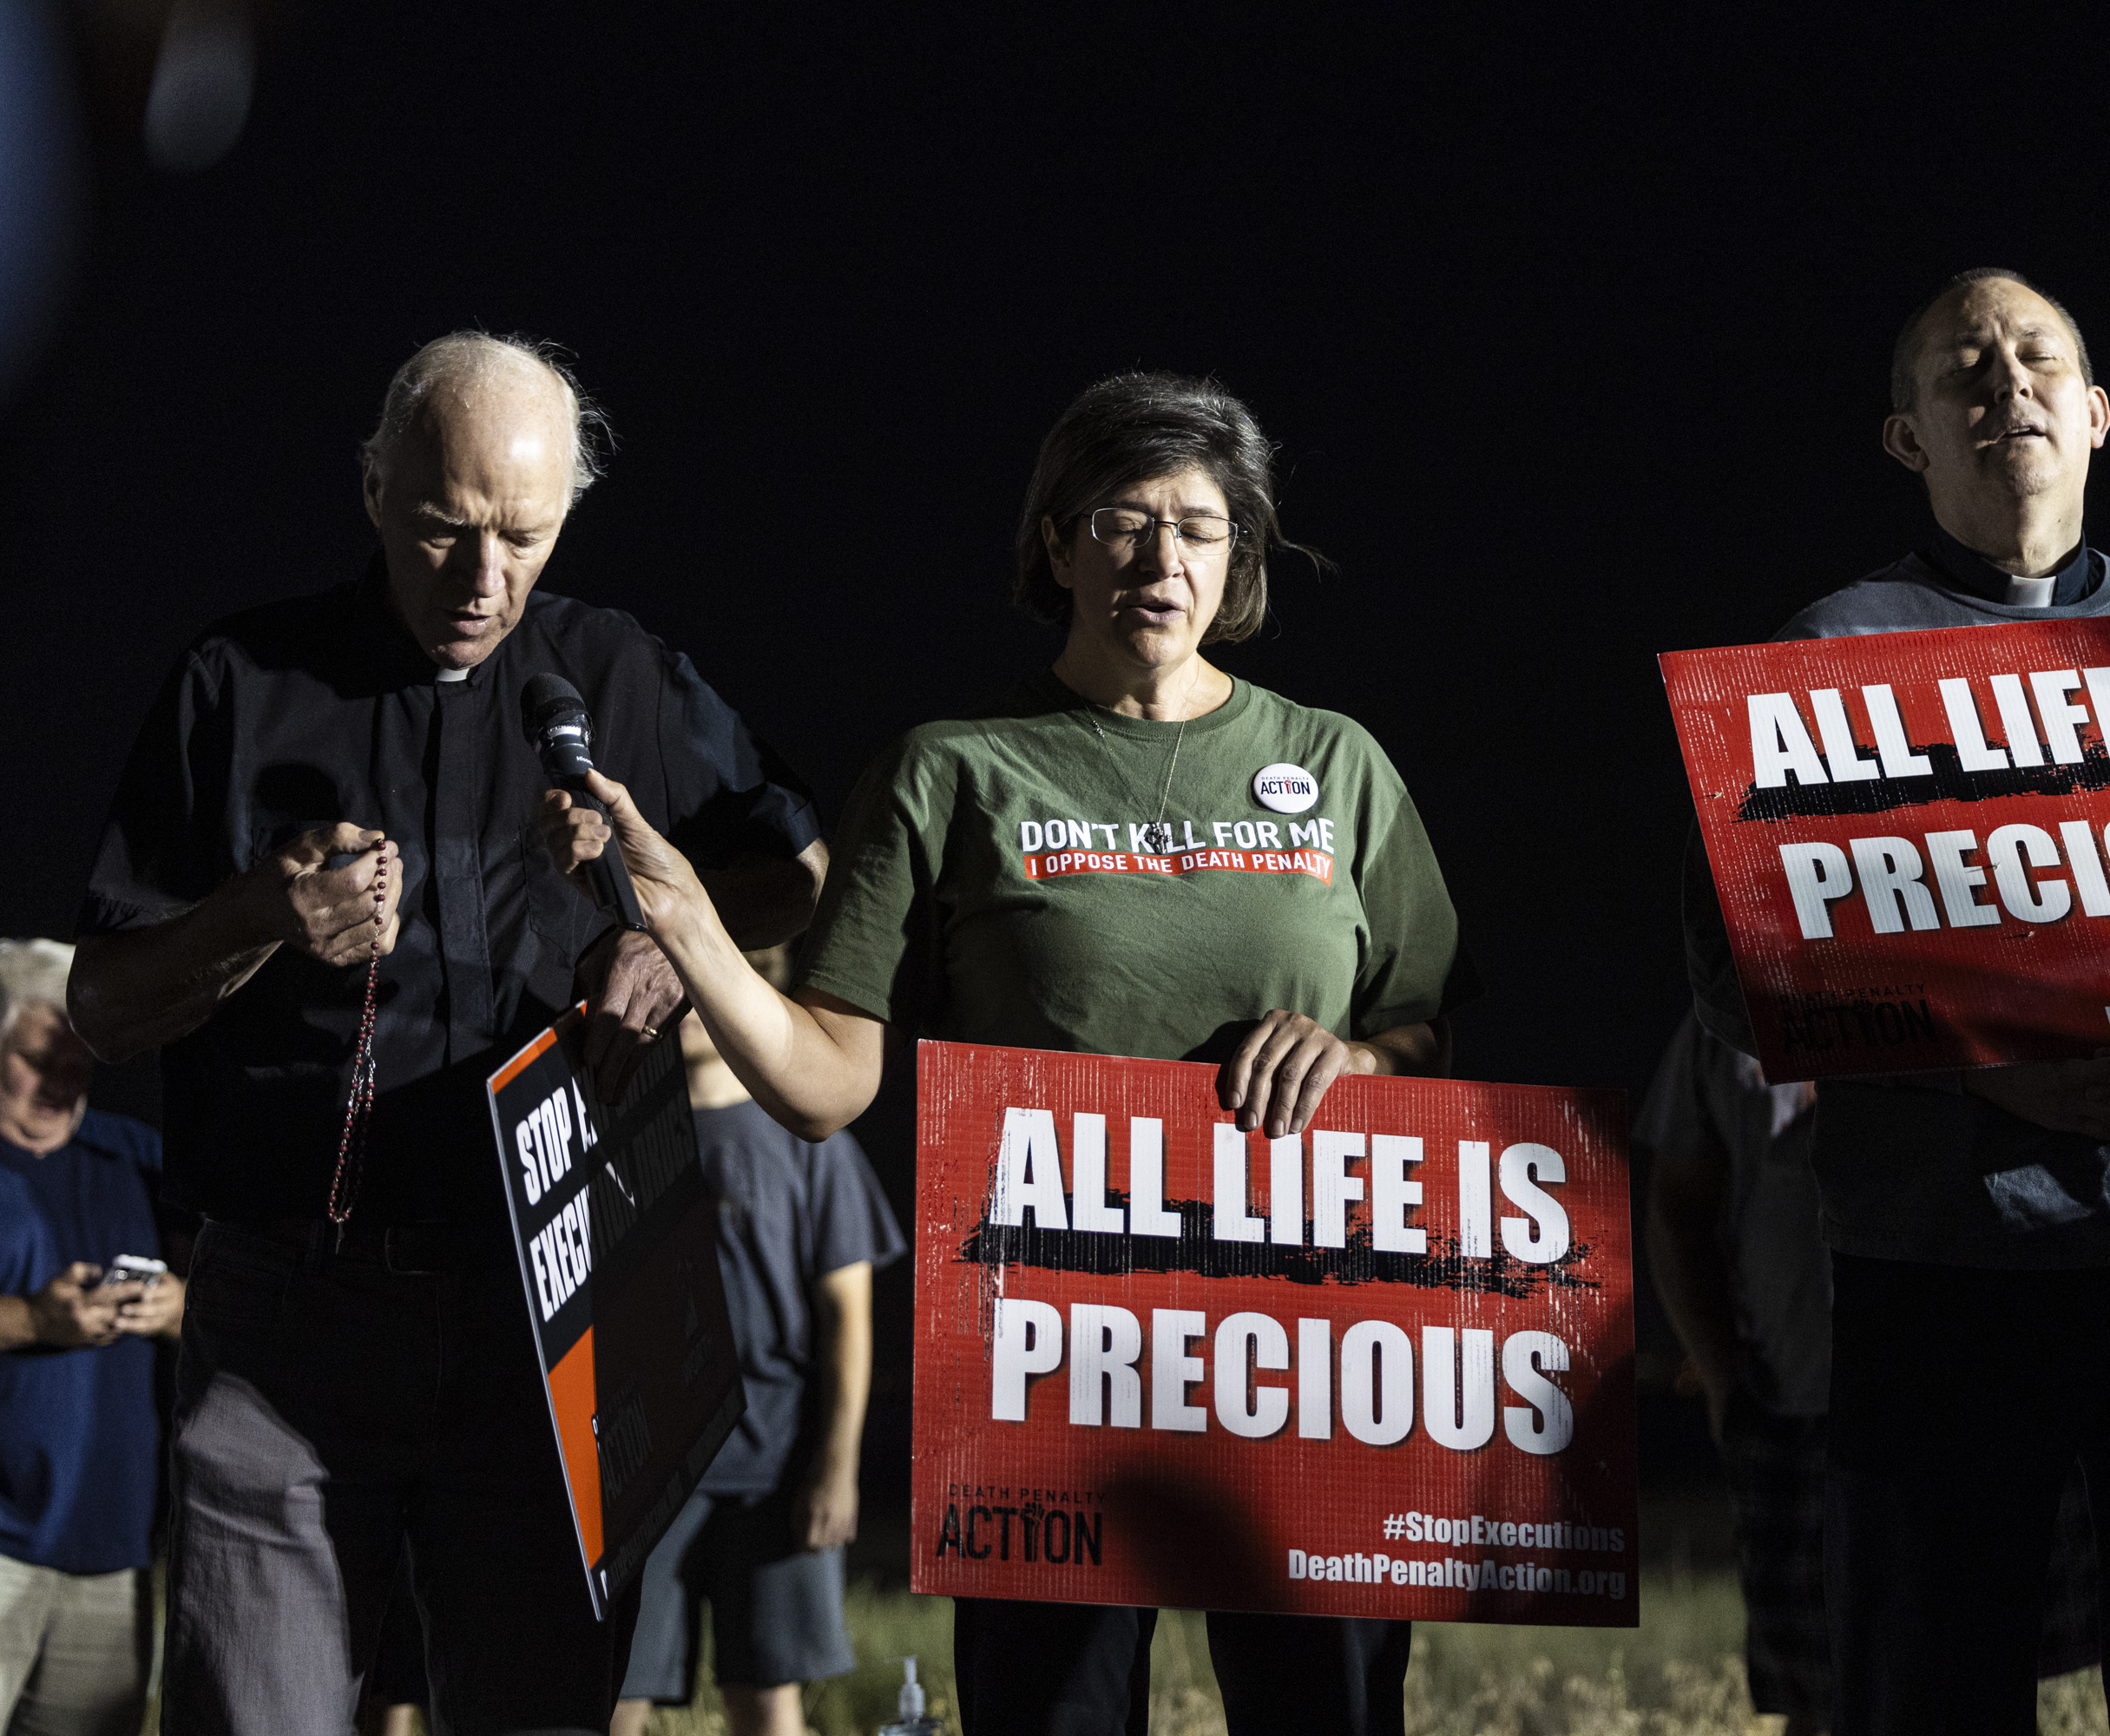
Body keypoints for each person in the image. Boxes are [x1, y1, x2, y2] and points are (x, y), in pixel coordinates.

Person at [542, 371, 1474, 1736]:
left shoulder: (1337, 765)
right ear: (1055, 544)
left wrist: (1364, 1065)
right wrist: (689, 925)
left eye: (1201, 527)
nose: (1162, 559)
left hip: (1309, 1355)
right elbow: (825, 1080)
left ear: (1244, 559)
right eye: (1120, 520)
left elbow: (1430, 1039)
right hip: (1054, 1362)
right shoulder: (950, 771)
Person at [66, 332, 830, 1735]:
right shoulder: (236, 680)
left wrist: (672, 935)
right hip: (285, 1318)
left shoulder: (624, 676)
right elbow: (100, 1007)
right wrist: (253, 918)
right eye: (443, 529)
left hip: (545, 1307)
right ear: (372, 490)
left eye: (523, 537)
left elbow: (800, 867)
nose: (484, 581)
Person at [1683, 268, 2110, 1733]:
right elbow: (1737, 979)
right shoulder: (1825, 658)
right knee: (1933, 1678)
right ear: (1908, 437)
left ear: (2098, 413)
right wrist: (1973, 1069)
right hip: (1946, 1263)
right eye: (1961, 371)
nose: (2006, 386)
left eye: (2037, 357)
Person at [1639, 1011, 2100, 1734]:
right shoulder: (1726, 1021)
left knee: (1993, 1667)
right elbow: (1676, 1202)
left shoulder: (1959, 984)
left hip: (1977, 1391)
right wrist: (1724, 1381)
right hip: (1797, 1400)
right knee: (1820, 1693)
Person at [610, 946, 904, 1736]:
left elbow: (850, 1319)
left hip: (776, 1465)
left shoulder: (815, 1142)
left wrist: (837, 1468)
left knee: (768, 1700)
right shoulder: (622, 1135)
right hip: (651, 1475)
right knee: (614, 1695)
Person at [0, 938, 182, 1736]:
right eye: (39, 1061)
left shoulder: (132, 1155)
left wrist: (180, 1309)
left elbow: (242, 1303)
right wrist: (33, 1320)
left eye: (79, 1065)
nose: (62, 1086)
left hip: (111, 1561)